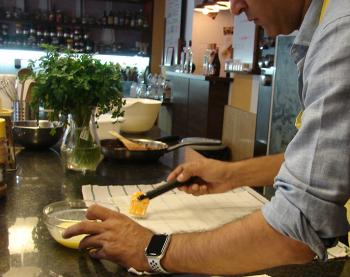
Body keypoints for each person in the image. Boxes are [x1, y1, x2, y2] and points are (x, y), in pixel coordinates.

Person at [63, 0, 350, 275]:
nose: (235, 7)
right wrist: (230, 174)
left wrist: (151, 249)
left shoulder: (341, 32)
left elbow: (296, 229)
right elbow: (320, 164)